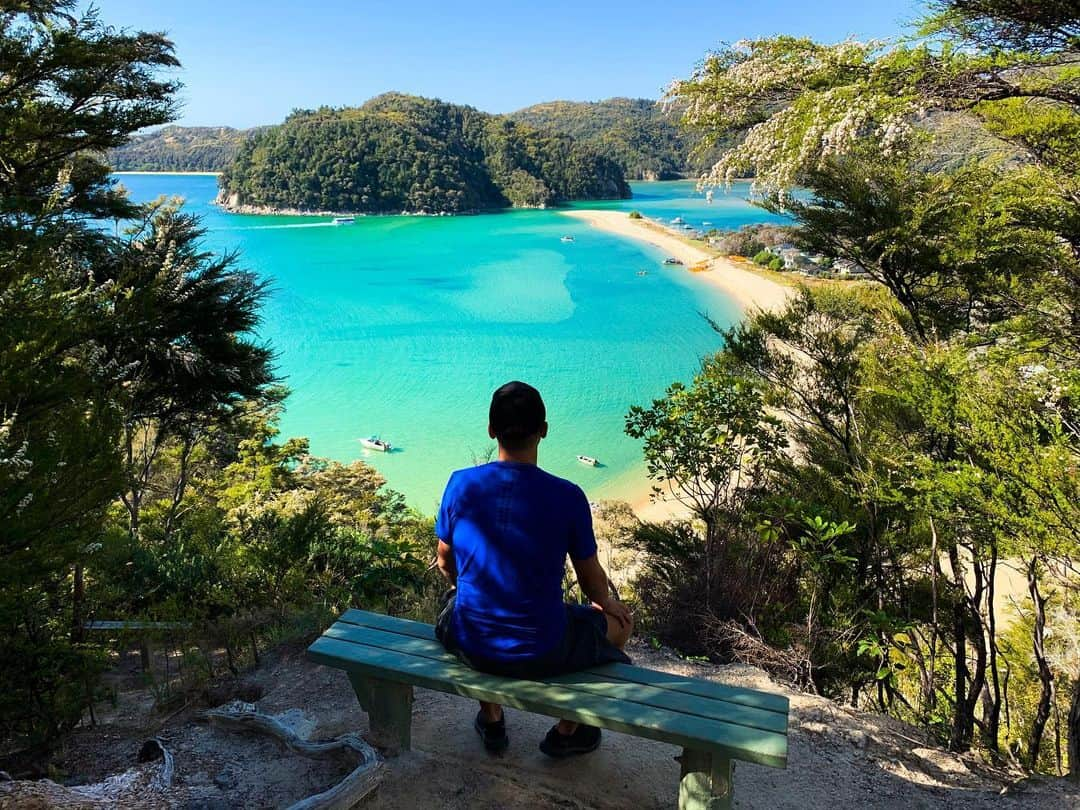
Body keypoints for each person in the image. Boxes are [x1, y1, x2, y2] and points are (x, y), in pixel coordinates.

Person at [434, 381, 633, 757]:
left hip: (471, 640)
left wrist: (469, 588)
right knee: (620, 626)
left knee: (454, 601)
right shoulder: (567, 496)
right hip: (542, 647)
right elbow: (593, 586)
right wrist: (607, 603)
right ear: (544, 430)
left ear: (491, 430)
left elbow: (446, 562)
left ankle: (492, 720)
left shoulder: (461, 484)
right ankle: (569, 730)